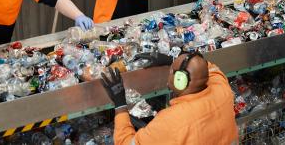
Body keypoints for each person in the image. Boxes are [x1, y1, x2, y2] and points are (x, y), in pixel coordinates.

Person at [101, 51, 238, 144]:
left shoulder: (170, 121)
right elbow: (207, 67)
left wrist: (120, 104)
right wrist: (172, 60)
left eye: (171, 71)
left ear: (180, 81)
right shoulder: (222, 89)